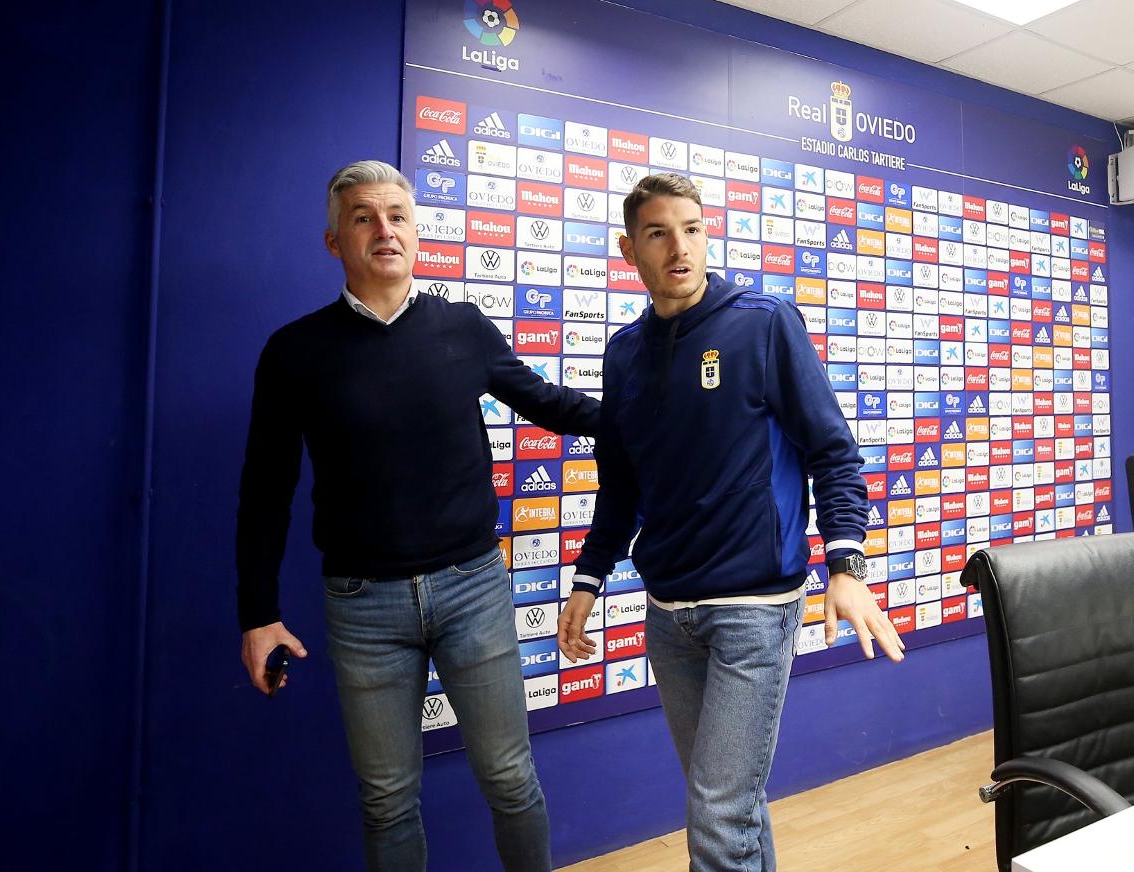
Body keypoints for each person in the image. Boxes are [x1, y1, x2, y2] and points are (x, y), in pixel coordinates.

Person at [236, 160, 598, 872]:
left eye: (397, 216)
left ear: (417, 233)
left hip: (473, 591)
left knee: (509, 777)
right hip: (362, 607)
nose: (384, 230)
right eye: (364, 217)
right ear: (333, 240)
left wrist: (653, 421)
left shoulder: (461, 328)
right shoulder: (294, 352)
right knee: (387, 798)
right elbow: (264, 489)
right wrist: (257, 613)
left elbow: (551, 405)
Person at [556, 173, 904, 871]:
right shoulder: (624, 353)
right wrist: (588, 581)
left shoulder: (763, 322)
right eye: (658, 233)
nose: (679, 247)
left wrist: (847, 566)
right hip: (669, 613)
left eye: (692, 228)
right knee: (728, 804)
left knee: (718, 812)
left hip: (753, 606)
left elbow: (833, 451)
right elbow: (619, 485)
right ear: (630, 250)